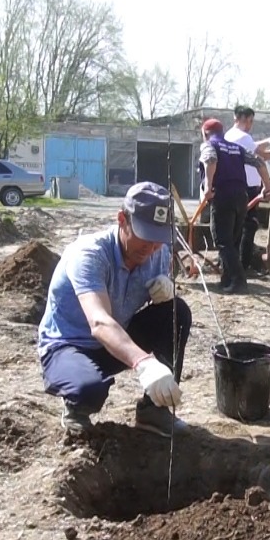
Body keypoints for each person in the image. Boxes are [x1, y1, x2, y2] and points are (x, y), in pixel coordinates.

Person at [37, 181, 191, 437]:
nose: (152, 247)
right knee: (89, 390)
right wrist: (145, 363)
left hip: (116, 339)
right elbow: (99, 322)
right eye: (146, 235)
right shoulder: (89, 254)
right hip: (69, 346)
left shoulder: (158, 252)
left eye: (159, 239)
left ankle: (154, 411)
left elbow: (157, 313)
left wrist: (166, 292)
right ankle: (76, 407)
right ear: (122, 219)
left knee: (177, 312)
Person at [197, 118, 270, 294]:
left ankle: (238, 281)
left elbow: (210, 160)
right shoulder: (236, 148)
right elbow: (260, 162)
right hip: (241, 197)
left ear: (205, 133)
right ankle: (227, 280)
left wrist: (208, 187)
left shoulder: (209, 145)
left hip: (222, 196)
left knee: (223, 241)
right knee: (233, 241)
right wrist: (267, 188)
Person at [225, 105, 270, 272]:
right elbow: (263, 157)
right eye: (250, 121)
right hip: (249, 188)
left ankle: (231, 264)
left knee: (235, 227)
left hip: (233, 186)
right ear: (247, 120)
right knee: (248, 226)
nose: (251, 125)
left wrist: (268, 140)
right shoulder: (244, 137)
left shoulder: (229, 135)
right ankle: (243, 266)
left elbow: (252, 145)